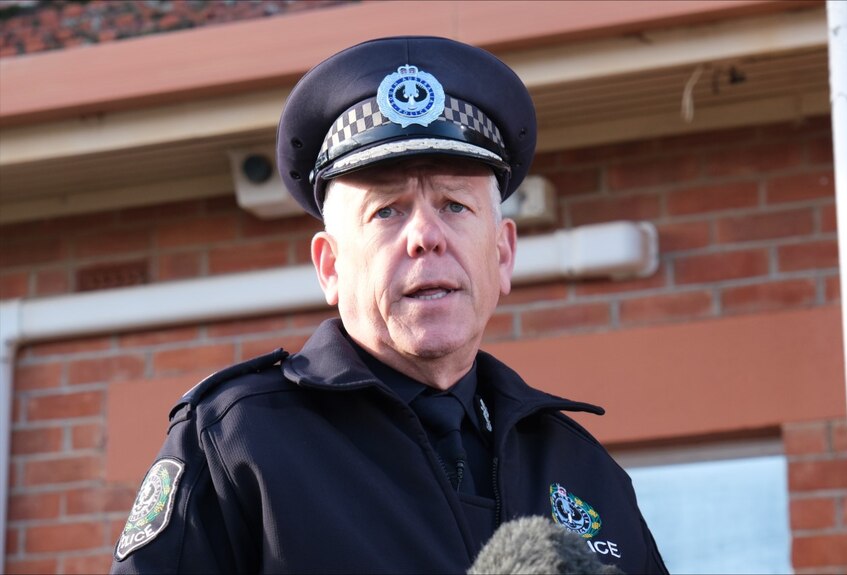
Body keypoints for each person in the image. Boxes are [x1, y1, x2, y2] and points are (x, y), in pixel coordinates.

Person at [110, 36, 668, 574]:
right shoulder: (238, 442)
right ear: (330, 266)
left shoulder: (584, 471)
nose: (426, 236)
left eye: (454, 205)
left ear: (502, 254)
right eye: (387, 211)